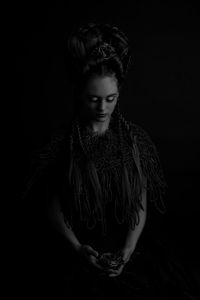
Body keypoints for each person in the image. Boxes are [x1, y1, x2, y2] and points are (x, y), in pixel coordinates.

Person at [23, 23, 198, 299]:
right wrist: (78, 248)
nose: (102, 108)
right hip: (75, 246)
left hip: (125, 246)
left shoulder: (133, 140)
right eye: (93, 99)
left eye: (110, 98)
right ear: (80, 95)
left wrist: (127, 250)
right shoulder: (61, 144)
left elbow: (140, 200)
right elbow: (51, 204)